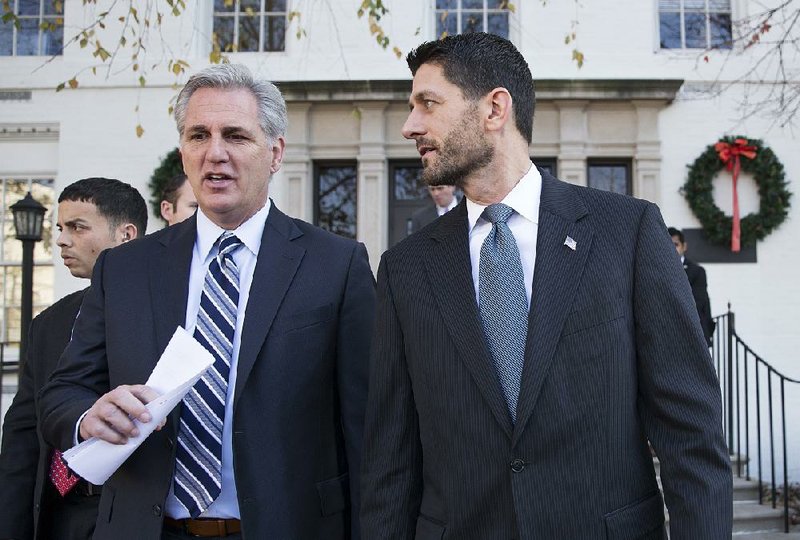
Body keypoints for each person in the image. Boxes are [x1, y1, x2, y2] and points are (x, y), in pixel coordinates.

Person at [361, 33, 732, 539]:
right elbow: (390, 461)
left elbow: (691, 435)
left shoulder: (628, 233)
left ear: (495, 109)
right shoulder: (405, 269)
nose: (410, 126)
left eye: (428, 103)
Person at [39, 63, 375, 540]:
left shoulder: (336, 266)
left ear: (275, 153)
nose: (215, 154)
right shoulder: (126, 270)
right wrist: (87, 416)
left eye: (236, 136)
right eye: (199, 136)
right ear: (183, 151)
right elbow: (60, 394)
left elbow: (367, 430)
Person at [0, 177, 147, 540]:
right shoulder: (47, 324)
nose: (62, 240)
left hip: (136, 515)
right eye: (61, 228)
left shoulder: (165, 313)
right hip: (60, 515)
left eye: (78, 227)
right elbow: (23, 435)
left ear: (126, 235)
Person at [669, 227, 715, 346]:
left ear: (684, 246)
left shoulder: (697, 271)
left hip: (692, 333)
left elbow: (697, 302)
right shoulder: (654, 270)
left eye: (675, 244)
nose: (671, 248)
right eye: (667, 244)